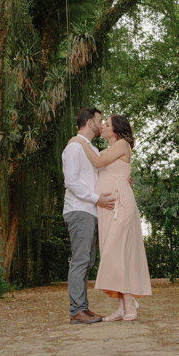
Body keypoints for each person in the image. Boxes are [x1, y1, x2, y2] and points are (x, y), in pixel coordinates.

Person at [72, 114, 152, 321]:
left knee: (115, 252)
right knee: (114, 253)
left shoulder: (122, 144)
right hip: (106, 208)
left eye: (107, 124)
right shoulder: (104, 151)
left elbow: (99, 162)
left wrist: (80, 140)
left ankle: (129, 301)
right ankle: (121, 307)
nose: (103, 127)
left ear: (116, 130)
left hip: (120, 204)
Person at [61, 107, 116, 324]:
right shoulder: (74, 147)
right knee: (80, 261)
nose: (102, 125)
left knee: (88, 261)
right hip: (79, 210)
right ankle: (76, 311)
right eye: (100, 121)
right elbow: (71, 181)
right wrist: (96, 199)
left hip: (91, 211)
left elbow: (99, 176)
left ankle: (82, 307)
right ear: (90, 123)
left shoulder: (91, 148)